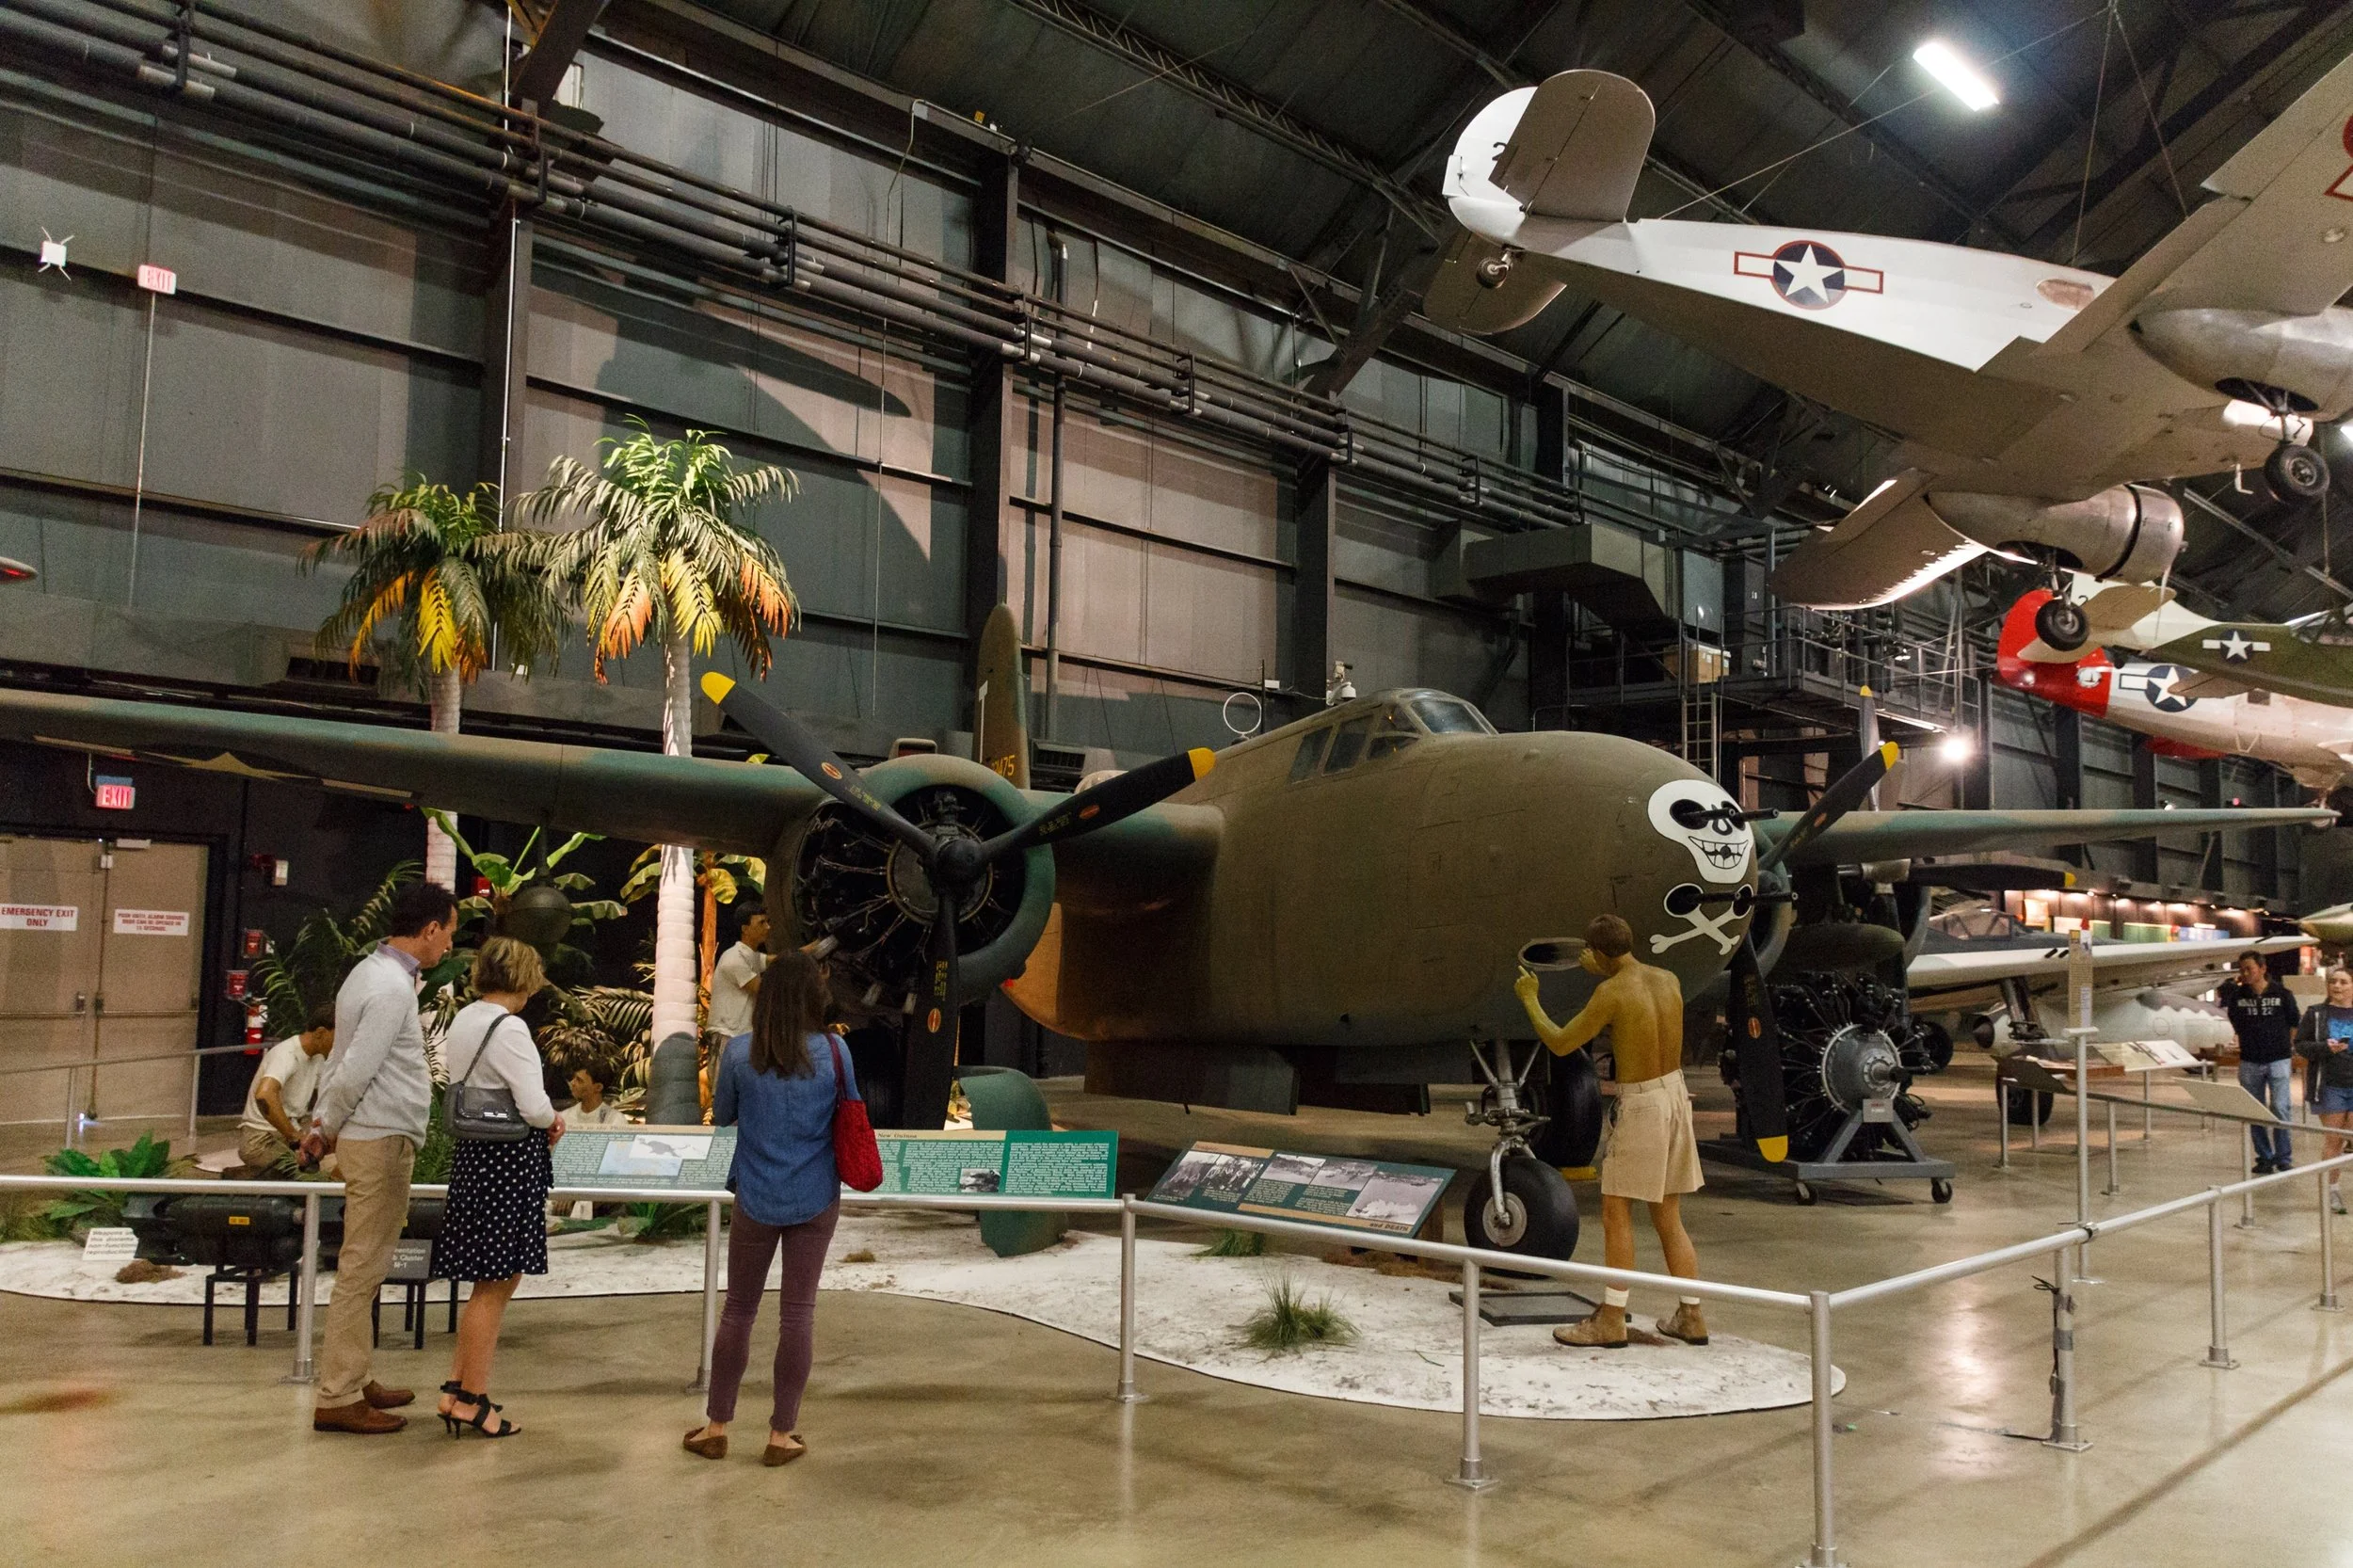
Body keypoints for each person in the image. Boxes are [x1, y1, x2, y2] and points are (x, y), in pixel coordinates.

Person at [300, 881, 457, 1435]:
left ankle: (356, 1376)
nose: (449, 945)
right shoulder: (391, 987)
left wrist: (323, 1125)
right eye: (448, 933)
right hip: (379, 1137)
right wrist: (324, 1127)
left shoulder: (368, 974)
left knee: (364, 1266)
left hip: (372, 1134)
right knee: (362, 1266)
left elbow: (343, 1063)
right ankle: (339, 1395)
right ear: (430, 929)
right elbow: (356, 1070)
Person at [684, 949, 853, 1465]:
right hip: (816, 1195)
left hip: (756, 1195)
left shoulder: (740, 1053)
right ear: (813, 996)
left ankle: (716, 1427)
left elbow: (723, 1116)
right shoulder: (835, 1050)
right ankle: (781, 1436)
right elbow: (850, 1110)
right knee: (798, 1315)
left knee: (739, 1310)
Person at [1514, 912, 1707, 1350]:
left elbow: (1561, 1042)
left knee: (1615, 1212)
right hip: (1676, 1096)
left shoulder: (1612, 991)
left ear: (1599, 952)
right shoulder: (1669, 979)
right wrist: (1604, 967)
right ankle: (1692, 1315)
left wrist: (1530, 999)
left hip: (1642, 1105)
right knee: (1668, 1214)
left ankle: (1612, 1319)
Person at [430, 936, 563, 1439]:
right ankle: (472, 1400)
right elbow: (533, 1105)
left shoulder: (466, 1019)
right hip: (508, 1163)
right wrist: (554, 1120)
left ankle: (456, 1388)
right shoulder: (509, 1028)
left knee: (486, 1283)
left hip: (476, 1158)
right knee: (496, 1283)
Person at [2221, 949, 2300, 1174]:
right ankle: (2264, 1157)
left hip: (2278, 1059)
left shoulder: (2282, 994)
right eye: (2242, 970)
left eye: (2250, 969)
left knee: (2280, 1107)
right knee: (2254, 1110)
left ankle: (2283, 1157)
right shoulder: (2237, 997)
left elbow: (2294, 1021)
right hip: (2250, 1060)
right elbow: (2235, 1021)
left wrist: (2288, 1046)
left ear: (2263, 968)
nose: (2245, 974)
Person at [236, 1004, 334, 1174]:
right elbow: (264, 1095)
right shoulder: (287, 1054)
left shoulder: (317, 1058)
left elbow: (327, 1094)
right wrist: (293, 1136)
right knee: (319, 1172)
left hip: (286, 1134)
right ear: (320, 1033)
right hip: (261, 1139)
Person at [2296, 965, 2353, 1213]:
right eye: (2333, 981)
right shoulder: (2316, 1013)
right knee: (2334, 1140)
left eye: (2343, 982)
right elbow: (2301, 1044)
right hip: (2330, 1085)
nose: (2337, 986)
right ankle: (2332, 1190)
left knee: (2349, 1137)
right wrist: (2325, 1048)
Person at [707, 907, 771, 1042]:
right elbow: (764, 990)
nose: (768, 927)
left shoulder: (751, 956)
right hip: (727, 1035)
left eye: (767, 922)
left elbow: (782, 959)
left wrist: (815, 946)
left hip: (740, 1034)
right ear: (745, 929)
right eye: (761, 922)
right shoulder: (735, 958)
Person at [565, 1063, 629, 1128]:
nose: (572, 1083)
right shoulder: (566, 1115)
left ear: (598, 1087)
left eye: (579, 1080)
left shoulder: (615, 1120)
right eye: (574, 1078)